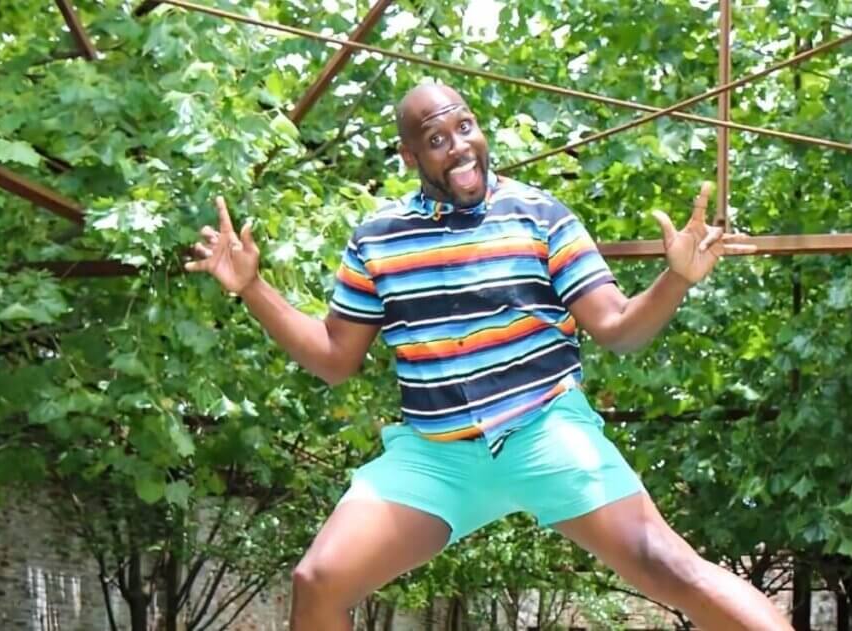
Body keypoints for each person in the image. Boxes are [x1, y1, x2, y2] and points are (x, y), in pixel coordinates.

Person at [186, 83, 792, 630]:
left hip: (544, 431)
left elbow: (618, 330)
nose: (459, 147)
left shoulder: (540, 215)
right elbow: (333, 358)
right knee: (316, 581)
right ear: (410, 157)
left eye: (466, 127)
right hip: (436, 457)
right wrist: (252, 290)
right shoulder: (378, 238)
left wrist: (676, 280)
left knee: (671, 566)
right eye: (436, 138)